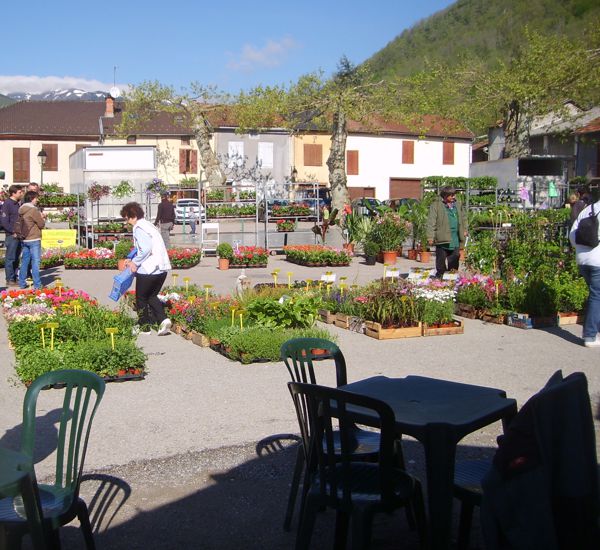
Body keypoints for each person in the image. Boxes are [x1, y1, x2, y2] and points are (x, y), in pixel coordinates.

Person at [121, 202, 172, 336]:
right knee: (152, 296)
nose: (126, 222)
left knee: (141, 298)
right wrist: (131, 258)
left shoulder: (139, 228)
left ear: (133, 216)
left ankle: (144, 327)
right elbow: (143, 247)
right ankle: (164, 320)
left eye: (126, 218)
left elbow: (145, 248)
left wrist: (135, 263)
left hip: (149, 269)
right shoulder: (149, 225)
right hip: (161, 269)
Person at [569, 196, 600, 347]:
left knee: (595, 295)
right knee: (596, 296)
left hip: (582, 260)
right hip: (598, 261)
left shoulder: (588, 210)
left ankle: (594, 328)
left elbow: (572, 236)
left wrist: (583, 249)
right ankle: (590, 335)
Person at [426, 185, 467, 278]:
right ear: (445, 195)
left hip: (455, 237)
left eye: (454, 195)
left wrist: (465, 229)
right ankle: (440, 277)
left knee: (454, 258)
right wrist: (430, 236)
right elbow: (431, 221)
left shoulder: (458, 204)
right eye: (451, 195)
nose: (454, 197)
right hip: (442, 238)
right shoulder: (436, 205)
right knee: (440, 261)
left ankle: (452, 277)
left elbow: (464, 217)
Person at [18, 190, 46, 289]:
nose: (37, 200)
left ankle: (21, 283)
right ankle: (37, 285)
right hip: (34, 238)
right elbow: (41, 224)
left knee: (25, 261)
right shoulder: (33, 210)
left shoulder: (21, 209)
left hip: (24, 238)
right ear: (32, 199)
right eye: (36, 198)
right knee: (35, 261)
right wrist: (42, 217)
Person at [0, 184, 24, 286]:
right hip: (11, 235)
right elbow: (4, 221)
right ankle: (9, 279)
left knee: (16, 257)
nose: (22, 193)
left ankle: (14, 277)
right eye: (20, 192)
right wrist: (12, 231)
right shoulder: (7, 204)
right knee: (10, 258)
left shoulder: (17, 203)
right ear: (13, 193)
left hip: (18, 234)